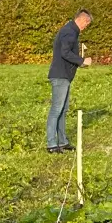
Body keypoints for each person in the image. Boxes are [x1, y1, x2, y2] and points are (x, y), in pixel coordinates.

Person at [47, 10, 92, 153]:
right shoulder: (69, 32)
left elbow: (67, 54)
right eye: (87, 23)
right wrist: (82, 60)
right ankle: (52, 144)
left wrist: (80, 64)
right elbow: (65, 52)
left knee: (63, 110)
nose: (86, 27)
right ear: (83, 20)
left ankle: (63, 142)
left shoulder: (70, 30)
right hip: (60, 76)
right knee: (56, 110)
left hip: (64, 76)